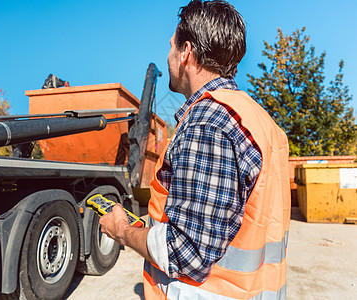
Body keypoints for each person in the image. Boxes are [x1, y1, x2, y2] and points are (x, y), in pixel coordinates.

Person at [99, 1, 290, 299]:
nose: (169, 55)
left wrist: (122, 230)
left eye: (172, 46)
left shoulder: (207, 123)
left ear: (186, 52)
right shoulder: (261, 121)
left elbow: (185, 253)